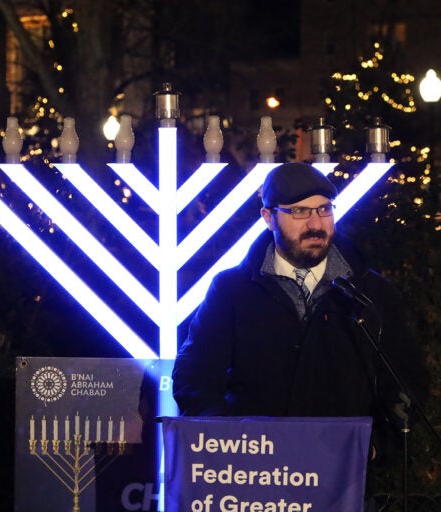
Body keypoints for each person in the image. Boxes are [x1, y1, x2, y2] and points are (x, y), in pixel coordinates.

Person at [171, 162, 428, 464]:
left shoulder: (372, 292)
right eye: (299, 212)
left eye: (324, 209)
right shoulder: (232, 290)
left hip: (343, 475)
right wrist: (226, 439)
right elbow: (194, 376)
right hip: (254, 474)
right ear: (268, 217)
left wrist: (374, 447)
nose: (315, 224)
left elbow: (406, 379)